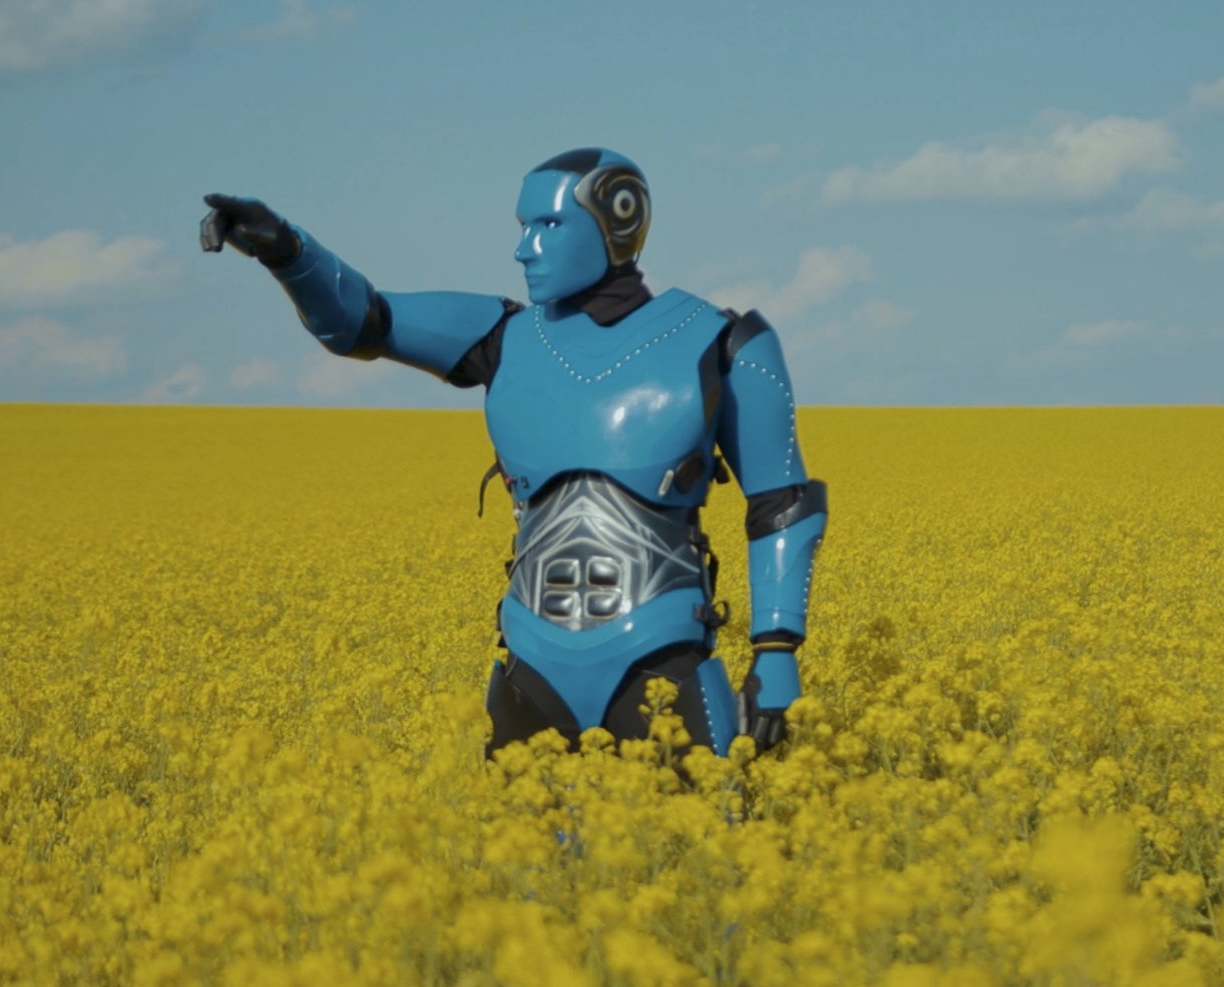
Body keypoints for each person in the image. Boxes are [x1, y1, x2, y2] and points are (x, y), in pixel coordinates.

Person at [200, 147, 826, 756]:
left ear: (618, 221)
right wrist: (287, 251)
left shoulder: (722, 342)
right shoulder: (503, 339)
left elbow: (782, 505)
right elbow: (363, 321)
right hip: (531, 672)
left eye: (548, 225)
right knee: (523, 862)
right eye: (524, 227)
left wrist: (776, 654)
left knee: (695, 857)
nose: (524, 248)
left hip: (665, 665)